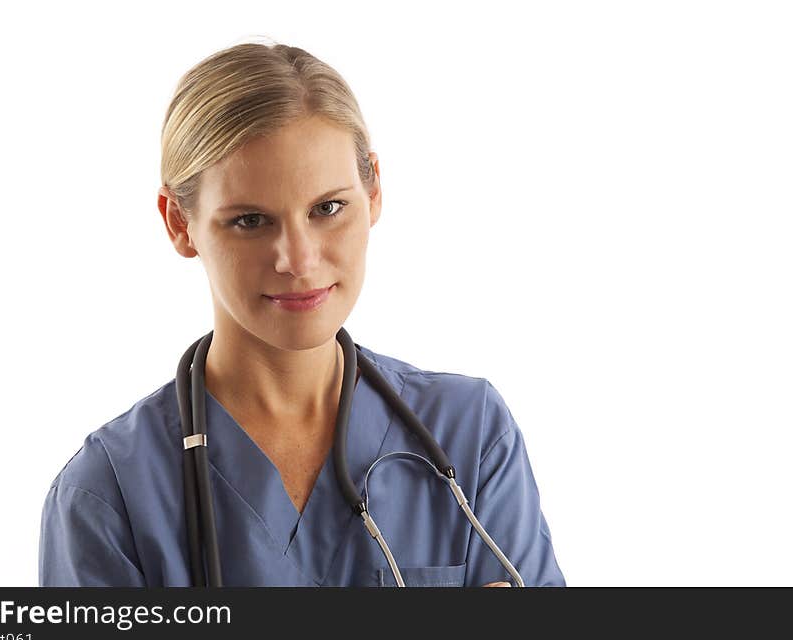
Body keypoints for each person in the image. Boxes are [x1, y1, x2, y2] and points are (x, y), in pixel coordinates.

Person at [38, 40, 566, 587]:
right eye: (249, 221)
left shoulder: (470, 435)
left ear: (373, 190)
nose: (299, 259)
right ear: (179, 222)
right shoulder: (108, 494)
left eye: (328, 208)